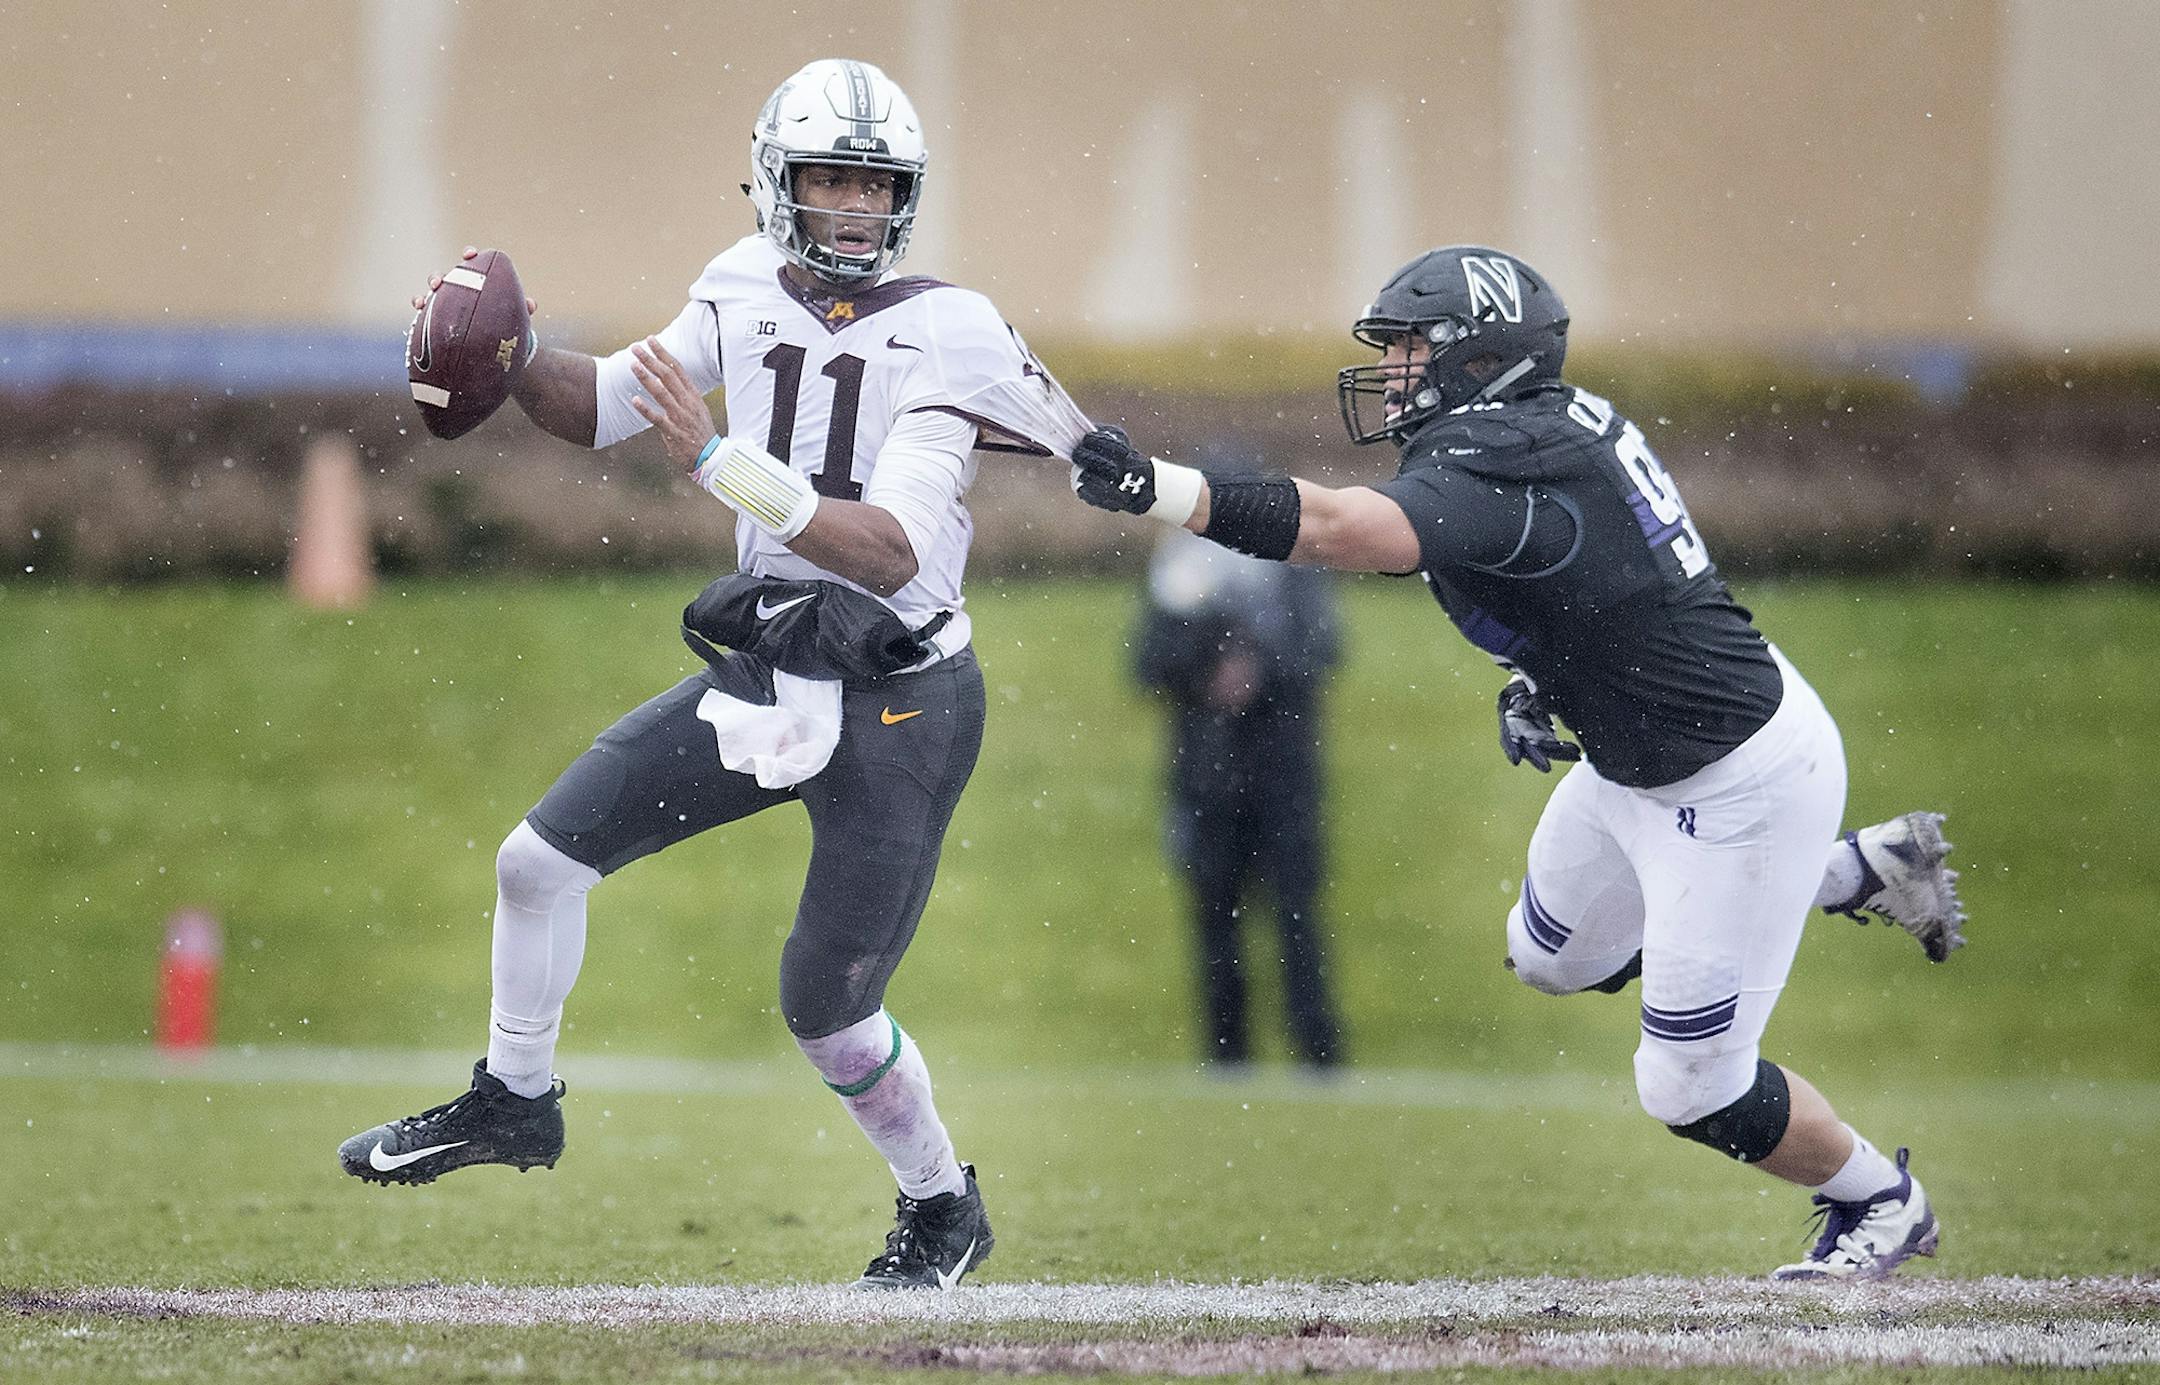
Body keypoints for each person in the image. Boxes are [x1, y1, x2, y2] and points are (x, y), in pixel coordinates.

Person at [1067, 245, 1968, 1281]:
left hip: (1737, 785)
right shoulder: (1539, 431)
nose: (1394, 369)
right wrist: (1543, 674)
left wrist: (1161, 489)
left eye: (1411, 346)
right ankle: (1860, 870)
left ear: (1476, 353)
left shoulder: (1511, 448)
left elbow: (1335, 526)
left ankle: (1879, 1200)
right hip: (1638, 760)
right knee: (1549, 954)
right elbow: (1603, 580)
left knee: (1691, 1086)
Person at [338, 58, 1090, 1291]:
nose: (851, 207)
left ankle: (943, 1207)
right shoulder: (739, 285)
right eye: (828, 178)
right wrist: (519, 352)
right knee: (536, 861)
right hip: (775, 663)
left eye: (872, 183)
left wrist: (720, 461)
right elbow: (607, 405)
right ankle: (513, 1098)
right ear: (776, 183)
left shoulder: (950, 325)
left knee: (829, 1007)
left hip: (903, 692)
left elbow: (888, 547)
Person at [1136, 525, 1345, 1071]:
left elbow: (1322, 649)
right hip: (1208, 782)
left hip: (1284, 780)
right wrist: (1209, 664)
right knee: (1215, 920)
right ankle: (1229, 1055)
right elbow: (1148, 665)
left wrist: (1260, 670)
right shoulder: (1179, 574)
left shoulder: (1293, 569)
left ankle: (1317, 1052)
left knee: (1297, 917)